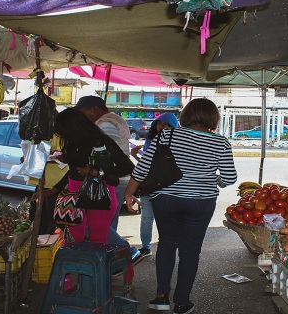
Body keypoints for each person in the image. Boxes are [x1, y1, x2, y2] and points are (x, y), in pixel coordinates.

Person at [124, 98, 237, 314]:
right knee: (190, 251)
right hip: (201, 202)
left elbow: (143, 167)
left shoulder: (167, 134)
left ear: (186, 116)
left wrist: (129, 192)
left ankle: (160, 297)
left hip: (166, 199)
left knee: (166, 243)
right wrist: (213, 181)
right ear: (213, 118)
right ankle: (182, 302)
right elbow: (230, 178)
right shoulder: (220, 142)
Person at [74, 95, 142, 261]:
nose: (83, 118)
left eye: (83, 113)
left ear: (94, 109)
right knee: (109, 224)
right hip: (120, 179)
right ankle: (112, 261)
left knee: (94, 225)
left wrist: (92, 170)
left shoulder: (105, 124)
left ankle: (128, 251)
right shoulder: (116, 120)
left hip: (111, 179)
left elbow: (106, 155)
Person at [53, 108, 134, 244]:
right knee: (72, 238)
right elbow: (73, 170)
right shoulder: (72, 143)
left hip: (99, 195)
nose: (63, 136)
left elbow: (128, 166)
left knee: (98, 239)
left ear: (74, 128)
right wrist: (54, 190)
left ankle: (120, 254)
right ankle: (75, 265)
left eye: (64, 132)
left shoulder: (100, 141)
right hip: (74, 197)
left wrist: (95, 172)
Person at [130, 112, 179, 257]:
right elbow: (146, 166)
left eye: (165, 124)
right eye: (159, 124)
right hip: (149, 186)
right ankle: (146, 246)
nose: (161, 127)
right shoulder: (150, 141)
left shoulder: (178, 143)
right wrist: (134, 155)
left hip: (166, 188)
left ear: (173, 126)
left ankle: (166, 246)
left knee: (165, 220)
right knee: (146, 219)